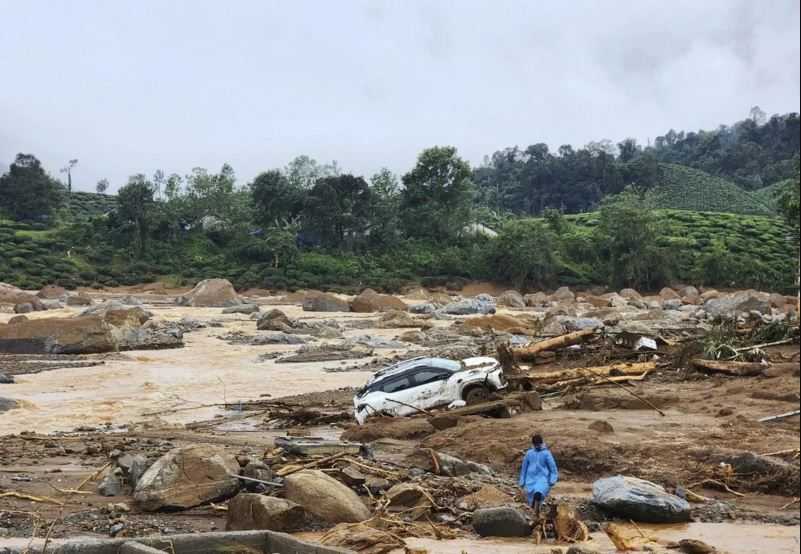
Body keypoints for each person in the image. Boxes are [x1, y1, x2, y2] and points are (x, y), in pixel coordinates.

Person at [518, 433, 559, 517]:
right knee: (532, 499)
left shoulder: (546, 453)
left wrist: (552, 479)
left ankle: (536, 512)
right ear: (533, 444)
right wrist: (522, 480)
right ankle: (535, 513)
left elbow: (553, 469)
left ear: (541, 443)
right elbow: (524, 468)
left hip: (543, 479)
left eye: (538, 444)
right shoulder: (529, 453)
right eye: (535, 445)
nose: (537, 446)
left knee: (538, 494)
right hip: (530, 480)